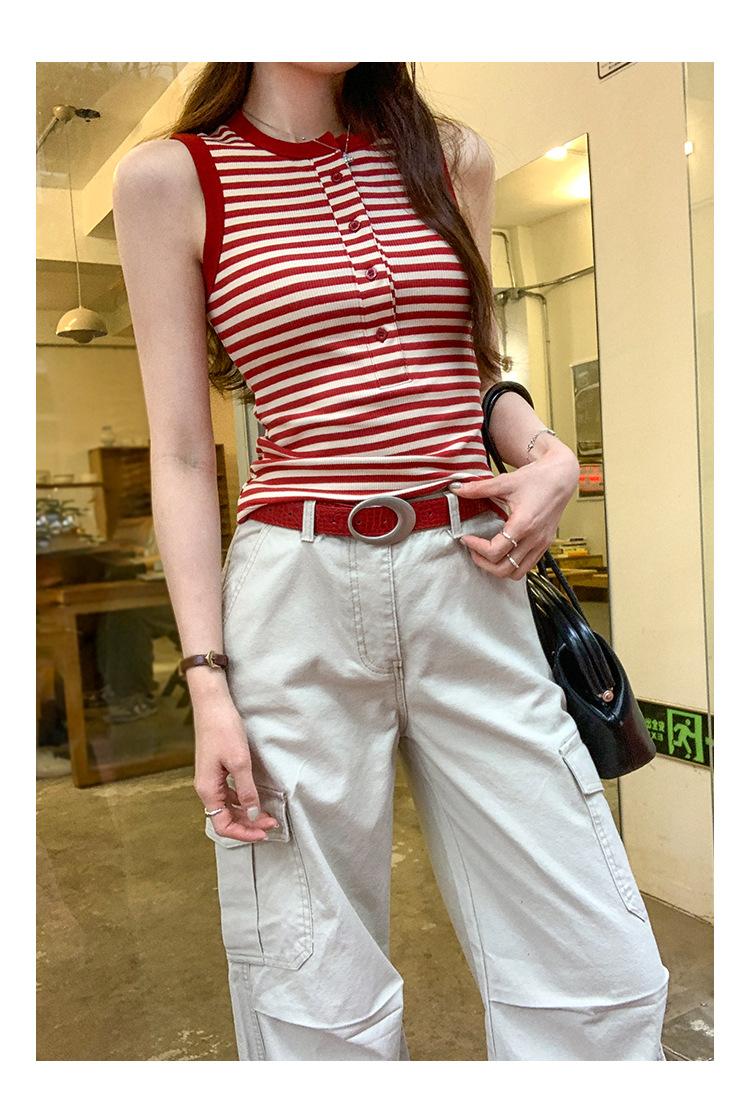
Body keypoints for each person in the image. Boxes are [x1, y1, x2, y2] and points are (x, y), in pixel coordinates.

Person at [112, 62, 670, 1062]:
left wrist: (544, 453)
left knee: (598, 970)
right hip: (294, 588)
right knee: (313, 986)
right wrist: (207, 684)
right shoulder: (173, 177)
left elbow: (474, 370)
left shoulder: (451, 157)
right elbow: (185, 453)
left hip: (473, 572)